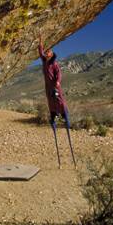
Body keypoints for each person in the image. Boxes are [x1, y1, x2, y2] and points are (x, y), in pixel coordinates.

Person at [38, 34, 76, 168]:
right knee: (51, 104)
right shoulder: (44, 61)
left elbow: (59, 74)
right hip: (48, 88)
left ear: (52, 54)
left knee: (59, 101)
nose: (47, 53)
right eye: (46, 52)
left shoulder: (54, 64)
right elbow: (40, 51)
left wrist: (58, 82)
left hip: (55, 86)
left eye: (49, 52)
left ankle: (66, 118)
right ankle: (53, 118)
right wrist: (40, 41)